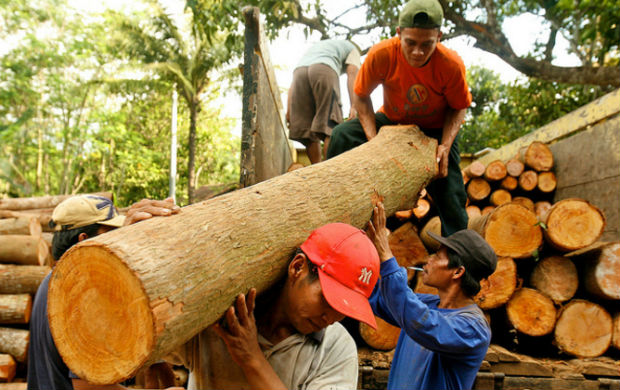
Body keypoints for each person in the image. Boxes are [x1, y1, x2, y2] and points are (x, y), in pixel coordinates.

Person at [167, 222, 380, 389]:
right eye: (327, 299)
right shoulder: (220, 317)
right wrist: (134, 234)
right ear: (298, 268)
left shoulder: (336, 349)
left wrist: (252, 359)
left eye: (343, 310)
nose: (330, 318)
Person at [327, 0, 471, 236]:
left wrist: (445, 145)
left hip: (434, 130)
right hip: (392, 120)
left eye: (427, 44)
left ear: (439, 37)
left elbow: (459, 107)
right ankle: (335, 207)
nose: (418, 51)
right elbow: (361, 96)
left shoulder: (451, 65)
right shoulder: (382, 54)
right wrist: (373, 141)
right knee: (342, 135)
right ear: (398, 34)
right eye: (410, 43)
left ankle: (457, 262)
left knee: (452, 194)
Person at [27, 195, 182, 390]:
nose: (116, 240)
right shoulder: (80, 291)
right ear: (83, 239)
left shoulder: (52, 282)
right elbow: (87, 386)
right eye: (110, 233)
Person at [366, 202, 496, 390]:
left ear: (458, 272)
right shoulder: (429, 305)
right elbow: (382, 298)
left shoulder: (474, 329)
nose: (429, 259)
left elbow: (422, 322)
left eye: (437, 255)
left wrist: (387, 257)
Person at [287, 39, 361, 164]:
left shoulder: (322, 47)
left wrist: (289, 109)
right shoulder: (353, 49)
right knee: (330, 126)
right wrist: (354, 106)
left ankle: (316, 169)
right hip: (323, 69)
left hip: (299, 73)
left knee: (308, 132)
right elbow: (352, 73)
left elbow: (292, 86)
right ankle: (329, 169)